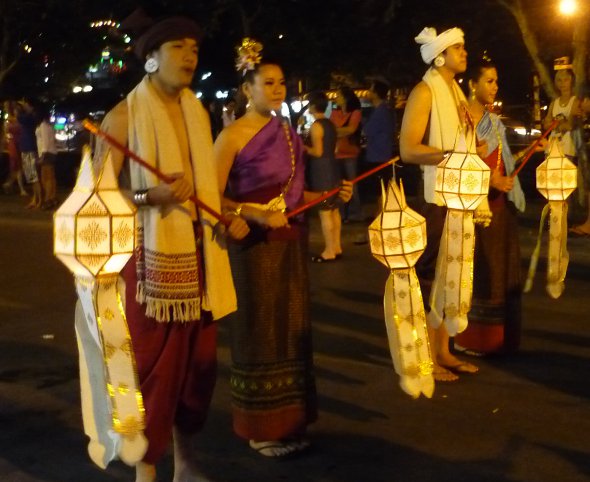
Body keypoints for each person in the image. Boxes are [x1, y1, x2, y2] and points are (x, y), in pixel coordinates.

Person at [94, 10, 249, 482]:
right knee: (154, 373)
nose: (189, 55)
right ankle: (147, 469)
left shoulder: (197, 112)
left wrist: (232, 216)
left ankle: (185, 462)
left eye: (194, 48)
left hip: (201, 256)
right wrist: (149, 197)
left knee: (198, 372)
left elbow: (203, 191)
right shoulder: (123, 115)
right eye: (177, 47)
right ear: (151, 59)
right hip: (150, 267)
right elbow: (99, 195)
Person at [214, 40, 351, 458]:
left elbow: (294, 199)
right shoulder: (232, 136)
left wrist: (328, 196)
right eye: (267, 82)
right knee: (259, 333)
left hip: (291, 244)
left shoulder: (290, 134)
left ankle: (288, 422)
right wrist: (251, 212)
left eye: (281, 83)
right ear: (247, 89)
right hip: (253, 249)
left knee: (290, 332)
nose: (277, 89)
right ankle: (259, 428)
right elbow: (211, 199)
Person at [399, 26, 479, 381]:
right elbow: (409, 149)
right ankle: (425, 356)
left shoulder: (456, 93)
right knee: (430, 275)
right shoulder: (424, 91)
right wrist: (453, 157)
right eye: (458, 48)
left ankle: (443, 350)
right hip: (435, 197)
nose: (465, 53)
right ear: (440, 55)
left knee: (453, 274)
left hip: (460, 195)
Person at [453, 58, 529, 355]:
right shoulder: (459, 122)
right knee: (477, 275)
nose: (495, 87)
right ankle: (471, 339)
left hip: (500, 211)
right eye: (489, 81)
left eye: (496, 81)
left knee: (501, 275)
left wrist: (508, 183)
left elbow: (504, 164)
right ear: (472, 85)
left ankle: (499, 340)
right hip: (473, 209)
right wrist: (489, 181)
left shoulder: (494, 123)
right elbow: (455, 166)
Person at [304, 91, 342, 262]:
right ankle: (336, 246)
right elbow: (335, 149)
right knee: (334, 209)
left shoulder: (316, 126)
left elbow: (317, 152)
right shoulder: (331, 124)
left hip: (321, 170)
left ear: (312, 106)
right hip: (333, 167)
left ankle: (329, 250)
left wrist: (303, 147)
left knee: (324, 211)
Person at [330, 86, 363, 222]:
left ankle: (355, 214)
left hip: (350, 154)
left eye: (339, 95)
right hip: (336, 154)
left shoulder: (355, 112)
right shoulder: (334, 112)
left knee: (352, 186)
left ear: (346, 98)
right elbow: (343, 129)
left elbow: (351, 129)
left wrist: (336, 131)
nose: (336, 98)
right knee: (338, 186)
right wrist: (341, 130)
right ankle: (342, 214)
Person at [16, 99, 43, 209]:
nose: (25, 106)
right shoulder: (29, 116)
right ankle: (35, 199)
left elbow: (20, 118)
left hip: (30, 148)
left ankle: (39, 200)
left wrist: (19, 110)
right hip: (26, 148)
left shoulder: (31, 117)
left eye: (26, 105)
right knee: (31, 177)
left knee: (34, 176)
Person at [2, 101, 27, 196]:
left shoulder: (11, 120)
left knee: (17, 166)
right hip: (15, 143)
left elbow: (6, 133)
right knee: (18, 166)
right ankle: (19, 188)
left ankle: (9, 184)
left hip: (15, 143)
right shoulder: (13, 120)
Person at [35, 106, 59, 209]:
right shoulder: (49, 125)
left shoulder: (43, 126)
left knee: (46, 177)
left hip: (47, 153)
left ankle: (48, 199)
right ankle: (52, 197)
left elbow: (45, 142)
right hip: (51, 152)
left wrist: (43, 156)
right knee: (51, 177)